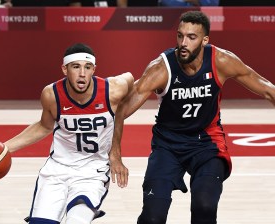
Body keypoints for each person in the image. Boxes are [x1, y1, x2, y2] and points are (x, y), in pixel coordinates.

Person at [110, 10, 275, 224]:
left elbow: (268, 90)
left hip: (206, 144)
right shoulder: (162, 68)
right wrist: (115, 155)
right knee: (152, 218)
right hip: (167, 145)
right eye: (180, 35)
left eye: (191, 37)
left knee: (204, 207)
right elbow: (121, 109)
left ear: (205, 40)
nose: (183, 43)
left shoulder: (221, 61)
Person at [4, 43, 133, 224]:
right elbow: (44, 126)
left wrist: (116, 148)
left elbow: (130, 78)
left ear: (94, 69)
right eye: (76, 67)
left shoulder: (112, 89)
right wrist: (5, 148)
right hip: (57, 169)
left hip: (92, 172)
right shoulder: (52, 94)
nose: (82, 73)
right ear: (64, 69)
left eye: (87, 67)